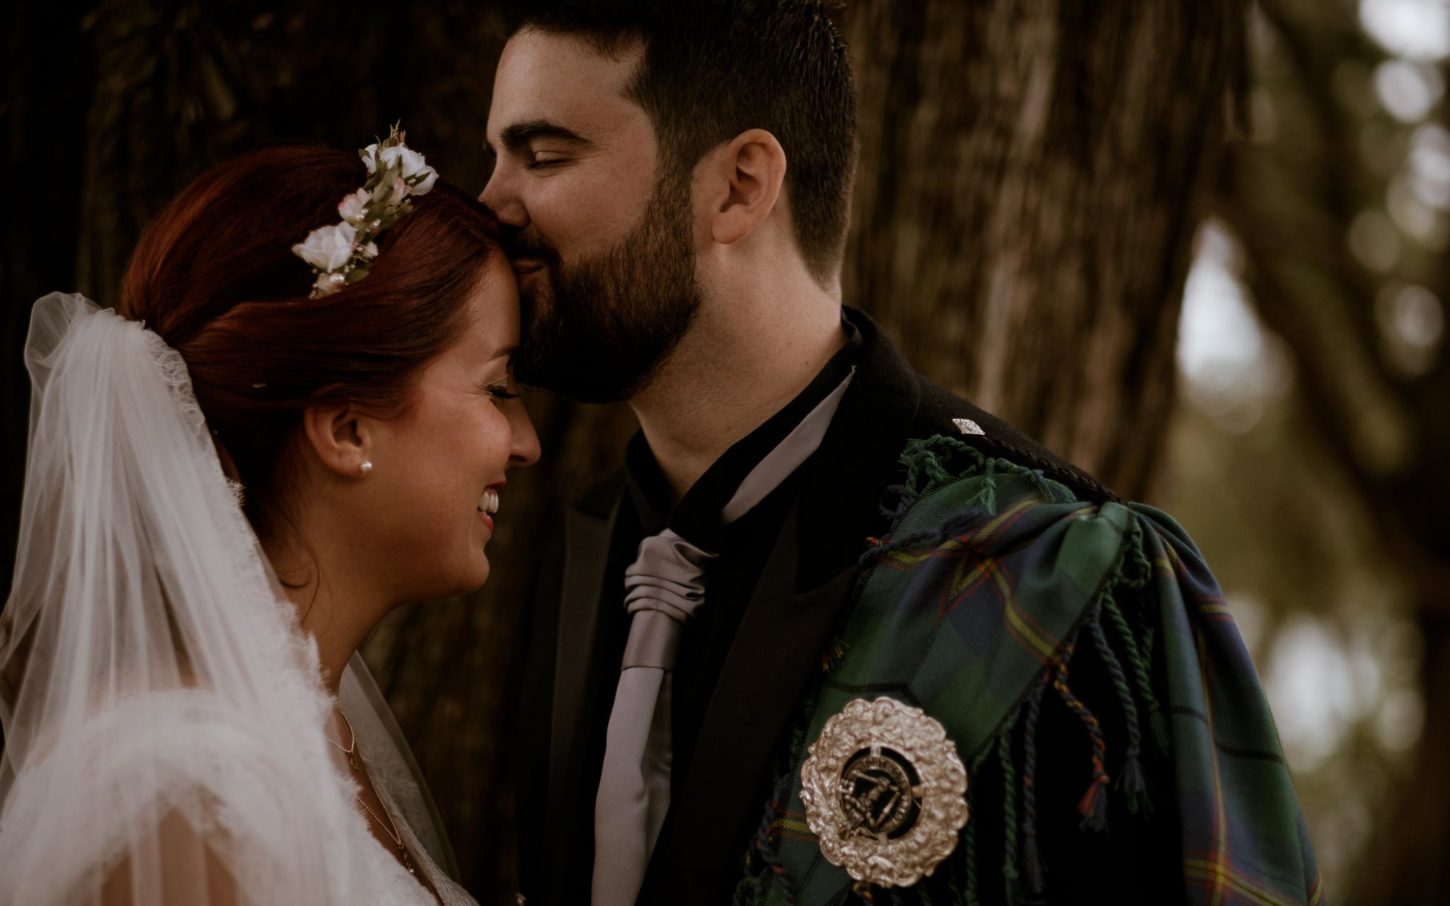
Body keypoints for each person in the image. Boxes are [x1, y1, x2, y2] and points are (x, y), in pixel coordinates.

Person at [480, 3, 1322, 904]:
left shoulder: (1056, 572)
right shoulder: (578, 544)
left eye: (544, 156)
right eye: (494, 156)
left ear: (738, 186)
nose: (490, 202)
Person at [0, 130, 539, 904]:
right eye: (498, 386)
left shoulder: (309, 735)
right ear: (348, 428)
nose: (527, 444)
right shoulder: (183, 801)